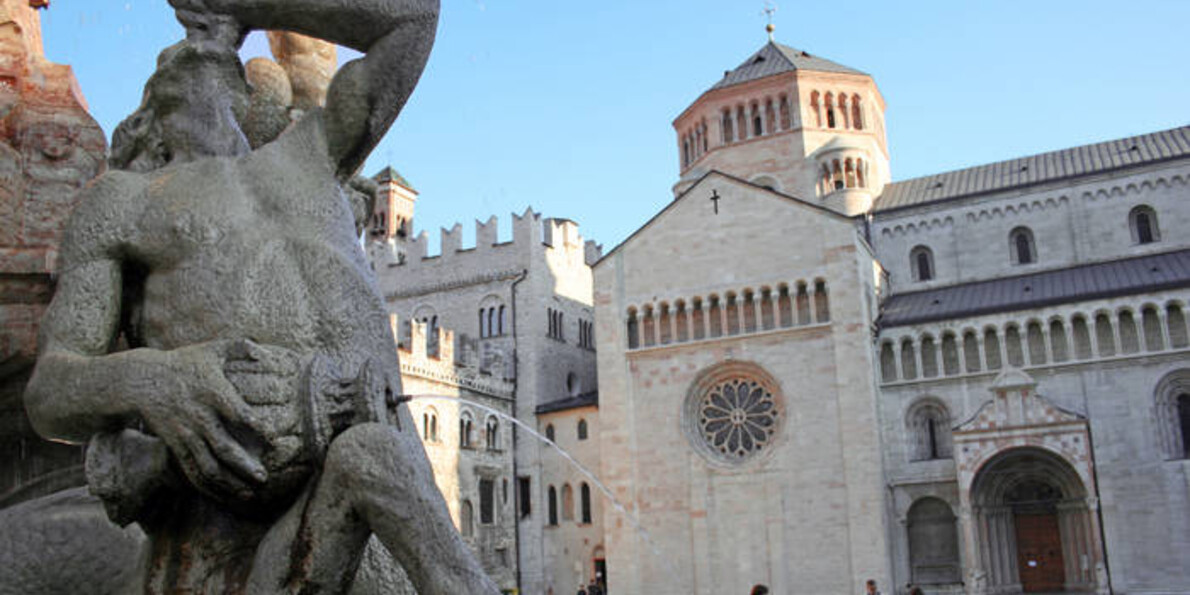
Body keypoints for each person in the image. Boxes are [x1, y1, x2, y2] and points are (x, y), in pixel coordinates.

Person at [23, 1, 498, 593]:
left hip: (389, 510)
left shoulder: (314, 152)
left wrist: (239, 4)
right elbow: (51, 391)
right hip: (250, 548)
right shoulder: (121, 202)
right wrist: (158, 379)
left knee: (374, 457)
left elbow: (414, 19)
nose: (198, 53)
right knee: (372, 458)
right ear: (147, 110)